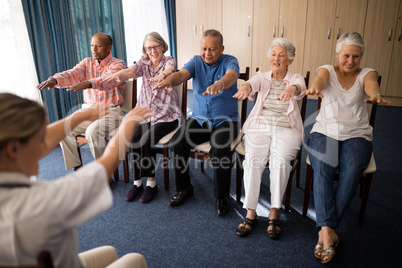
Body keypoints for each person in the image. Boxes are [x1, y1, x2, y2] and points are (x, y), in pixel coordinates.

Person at [0, 92, 150, 267]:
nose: (45, 146)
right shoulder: (42, 202)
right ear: (13, 149)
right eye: (39, 139)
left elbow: (39, 141)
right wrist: (128, 123)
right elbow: (106, 164)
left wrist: (83, 115)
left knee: (110, 252)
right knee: (135, 259)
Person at [301, 32, 391, 264]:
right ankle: (329, 234)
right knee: (323, 170)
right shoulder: (328, 70)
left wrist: (376, 94)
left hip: (357, 134)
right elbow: (320, 80)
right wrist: (315, 88)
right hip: (324, 131)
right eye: (346, 56)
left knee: (352, 172)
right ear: (338, 54)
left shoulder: (367, 73)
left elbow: (372, 85)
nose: (351, 61)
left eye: (356, 56)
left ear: (361, 57)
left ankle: (325, 231)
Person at [154, 29, 240, 216]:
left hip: (225, 121)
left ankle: (221, 197)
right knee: (177, 143)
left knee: (219, 149)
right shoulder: (196, 61)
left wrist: (220, 84)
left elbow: (232, 76)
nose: (207, 53)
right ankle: (184, 188)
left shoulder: (230, 60)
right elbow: (182, 74)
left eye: (212, 49)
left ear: (221, 48)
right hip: (200, 119)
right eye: (204, 48)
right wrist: (169, 80)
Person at [233, 38, 306, 239]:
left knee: (280, 162)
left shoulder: (295, 78)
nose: (276, 58)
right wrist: (246, 87)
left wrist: (292, 89)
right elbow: (252, 83)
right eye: (274, 54)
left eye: (282, 55)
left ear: (289, 60)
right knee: (252, 161)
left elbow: (299, 86)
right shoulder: (262, 77)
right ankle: (251, 212)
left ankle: (274, 212)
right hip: (260, 125)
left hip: (287, 128)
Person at [105, 32, 180, 203]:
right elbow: (132, 71)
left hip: (166, 116)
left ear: (162, 46)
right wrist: (119, 74)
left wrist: (162, 76)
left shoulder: (169, 61)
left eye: (155, 47)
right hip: (145, 115)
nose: (152, 51)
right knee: (132, 137)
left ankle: (151, 184)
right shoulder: (144, 63)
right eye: (149, 48)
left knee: (146, 139)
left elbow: (170, 70)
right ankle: (137, 182)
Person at [37, 32, 126, 171]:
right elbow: (72, 74)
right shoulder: (87, 62)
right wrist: (54, 80)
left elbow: (109, 80)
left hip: (111, 111)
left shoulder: (118, 64)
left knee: (92, 132)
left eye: (98, 46)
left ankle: (104, 172)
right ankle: (77, 170)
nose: (93, 49)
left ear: (109, 48)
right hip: (88, 111)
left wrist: (89, 83)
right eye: (92, 45)